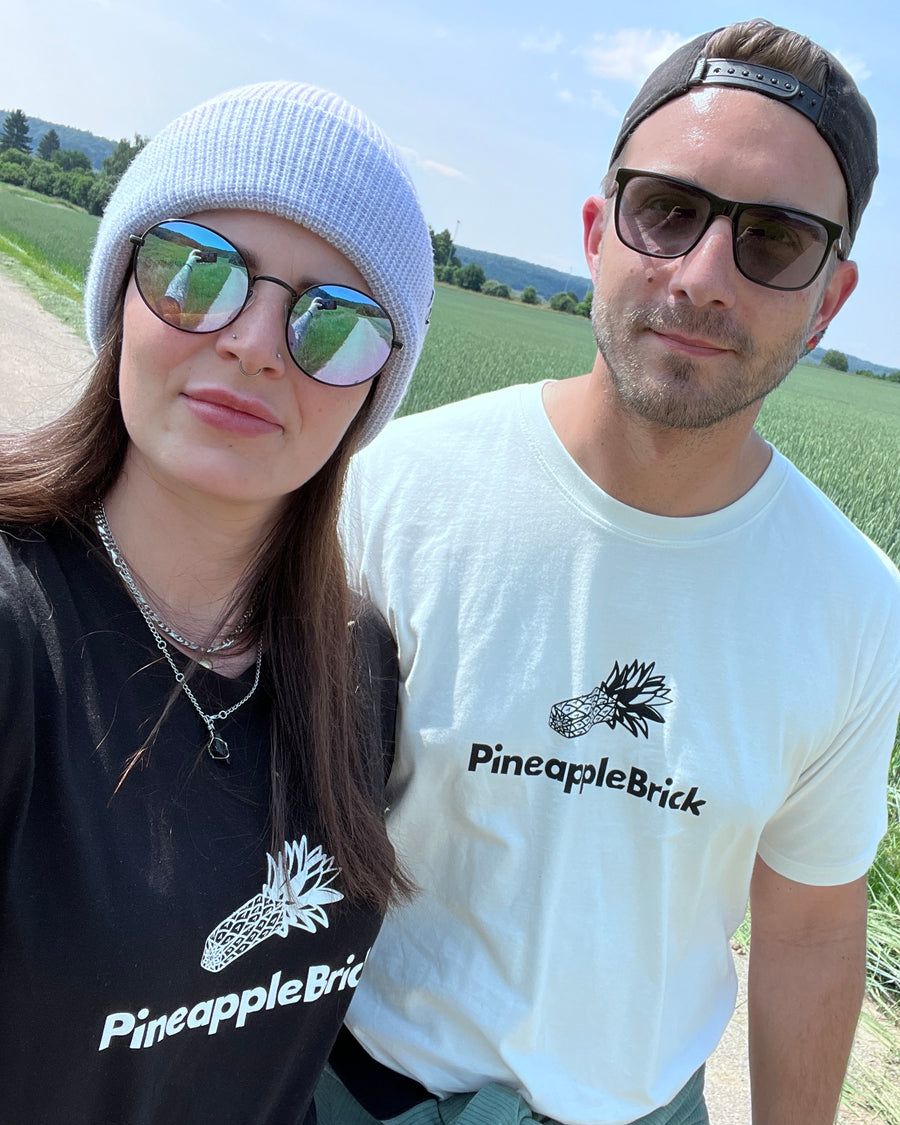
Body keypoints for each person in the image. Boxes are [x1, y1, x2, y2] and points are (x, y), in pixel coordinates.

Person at [317, 18, 900, 1125]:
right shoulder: (395, 491)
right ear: (598, 231)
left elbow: (811, 925)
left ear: (829, 299)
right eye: (668, 210)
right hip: (357, 1093)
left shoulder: (856, 607)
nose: (704, 275)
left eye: (775, 240)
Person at [0, 80, 433, 1123]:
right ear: (122, 292)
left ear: (374, 388)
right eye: (198, 270)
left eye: (335, 321)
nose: (254, 343)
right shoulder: (16, 631)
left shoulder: (355, 664)